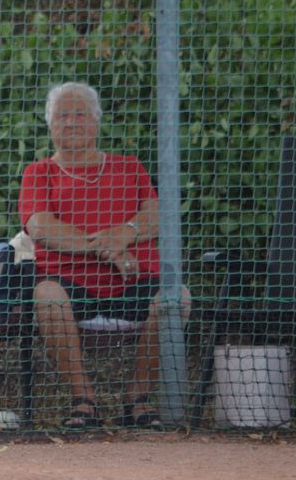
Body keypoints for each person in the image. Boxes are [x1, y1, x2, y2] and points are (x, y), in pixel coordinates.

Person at [18, 81, 191, 430]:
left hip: (134, 280)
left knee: (178, 297)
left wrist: (125, 233)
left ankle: (137, 400)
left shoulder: (129, 166)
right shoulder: (39, 172)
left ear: (96, 121)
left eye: (80, 114)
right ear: (50, 124)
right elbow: (40, 226)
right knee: (46, 294)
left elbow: (157, 215)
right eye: (62, 115)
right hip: (70, 283)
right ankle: (84, 401)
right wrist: (109, 250)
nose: (71, 122)